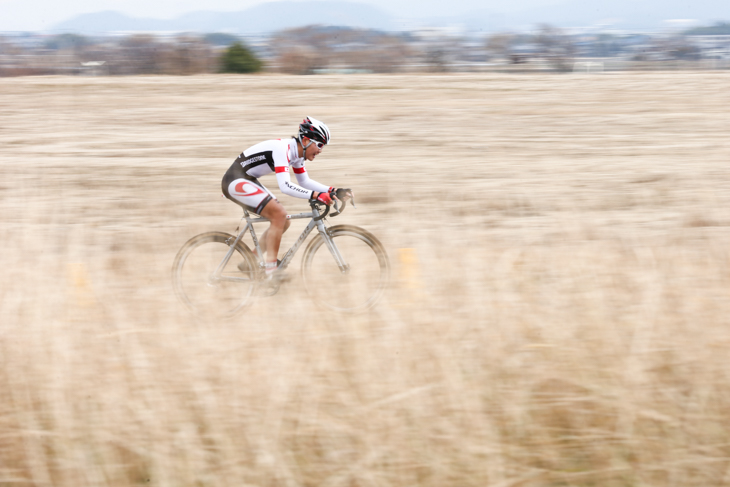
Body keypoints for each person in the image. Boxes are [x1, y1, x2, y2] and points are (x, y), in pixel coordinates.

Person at [222, 116, 351, 278]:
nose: (320, 150)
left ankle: (251, 261)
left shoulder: (297, 154)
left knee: (284, 221)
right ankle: (271, 271)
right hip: (234, 181)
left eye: (323, 146)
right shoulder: (283, 150)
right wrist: (317, 195)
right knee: (279, 215)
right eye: (319, 145)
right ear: (305, 141)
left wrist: (333, 190)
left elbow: (304, 181)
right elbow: (285, 186)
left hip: (247, 180)